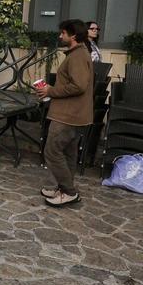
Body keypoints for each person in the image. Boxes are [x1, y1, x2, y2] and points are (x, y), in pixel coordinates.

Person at [37, 19, 94, 207]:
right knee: (68, 152)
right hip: (74, 114)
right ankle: (64, 189)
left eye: (63, 33)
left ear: (73, 36)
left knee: (52, 150)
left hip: (68, 115)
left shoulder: (78, 56)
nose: (60, 36)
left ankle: (69, 191)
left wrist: (50, 91)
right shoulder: (78, 53)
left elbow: (79, 85)